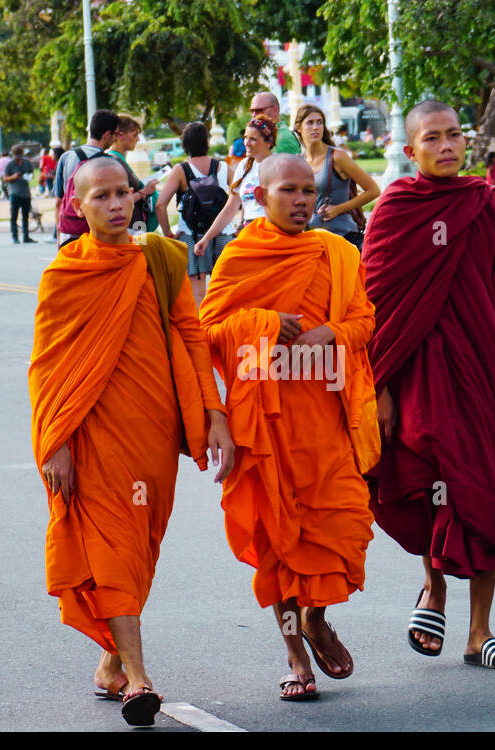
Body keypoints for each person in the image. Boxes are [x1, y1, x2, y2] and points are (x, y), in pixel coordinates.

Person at [30, 156, 234, 726]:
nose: (117, 204)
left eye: (124, 193)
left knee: (140, 547)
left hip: (152, 431)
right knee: (113, 545)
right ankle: (139, 680)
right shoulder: (65, 275)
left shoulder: (161, 259)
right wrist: (56, 444)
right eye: (102, 197)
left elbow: (192, 336)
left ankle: (112, 662)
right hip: (91, 435)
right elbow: (47, 368)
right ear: (76, 206)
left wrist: (214, 412)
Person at [362, 100, 495, 671]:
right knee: (426, 479)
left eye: (454, 136)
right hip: (418, 374)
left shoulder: (484, 205)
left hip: (483, 372)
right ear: (411, 150)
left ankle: (480, 630)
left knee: (484, 490)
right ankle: (434, 589)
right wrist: (381, 387)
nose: (446, 146)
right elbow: (375, 306)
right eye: (432, 138)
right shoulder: (396, 208)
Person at [198, 154, 378, 701]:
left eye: (307, 191)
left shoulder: (337, 252)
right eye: (288, 191)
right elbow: (206, 330)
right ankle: (297, 654)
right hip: (265, 425)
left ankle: (318, 617)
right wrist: (267, 323)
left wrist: (334, 334)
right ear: (261, 197)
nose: (300, 201)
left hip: (325, 418)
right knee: (277, 538)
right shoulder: (241, 257)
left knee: (343, 524)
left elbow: (365, 319)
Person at [156, 121, 235, 307]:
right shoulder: (223, 167)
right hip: (223, 234)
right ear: (207, 141)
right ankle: (221, 330)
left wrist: (168, 233)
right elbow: (239, 196)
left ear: (184, 144)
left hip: (191, 237)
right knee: (224, 290)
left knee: (197, 293)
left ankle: (201, 333)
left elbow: (160, 205)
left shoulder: (180, 170)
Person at [295, 103, 380, 251]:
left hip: (343, 238)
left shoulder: (337, 156)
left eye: (319, 122)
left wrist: (338, 209)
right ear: (298, 128)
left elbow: (373, 190)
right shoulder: (298, 161)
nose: (315, 127)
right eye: (310, 123)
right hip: (312, 241)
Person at [194, 114, 277, 257]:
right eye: (246, 137)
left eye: (253, 139)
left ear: (268, 142)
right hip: (249, 234)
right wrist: (207, 238)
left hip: (273, 236)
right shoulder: (244, 166)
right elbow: (230, 208)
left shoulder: (280, 165)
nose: (246, 143)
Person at [53, 109, 124, 244]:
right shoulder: (110, 163)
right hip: (95, 232)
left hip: (69, 230)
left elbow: (59, 201)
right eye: (116, 134)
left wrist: (59, 234)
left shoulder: (66, 157)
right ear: (107, 134)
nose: (117, 138)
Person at [106, 115, 159, 232]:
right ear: (120, 135)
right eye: (135, 135)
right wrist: (144, 192)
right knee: (139, 249)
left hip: (136, 224)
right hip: (131, 227)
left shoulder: (117, 159)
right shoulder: (114, 162)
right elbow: (117, 199)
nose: (138, 139)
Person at [3, 145, 36, 244]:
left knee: (25, 216)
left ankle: (26, 236)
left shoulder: (27, 163)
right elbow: (5, 178)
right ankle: (15, 237)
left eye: (19, 156)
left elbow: (32, 173)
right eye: (16, 157)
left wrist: (29, 176)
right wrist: (14, 177)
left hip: (26, 193)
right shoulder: (10, 165)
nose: (18, 159)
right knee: (14, 216)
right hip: (15, 193)